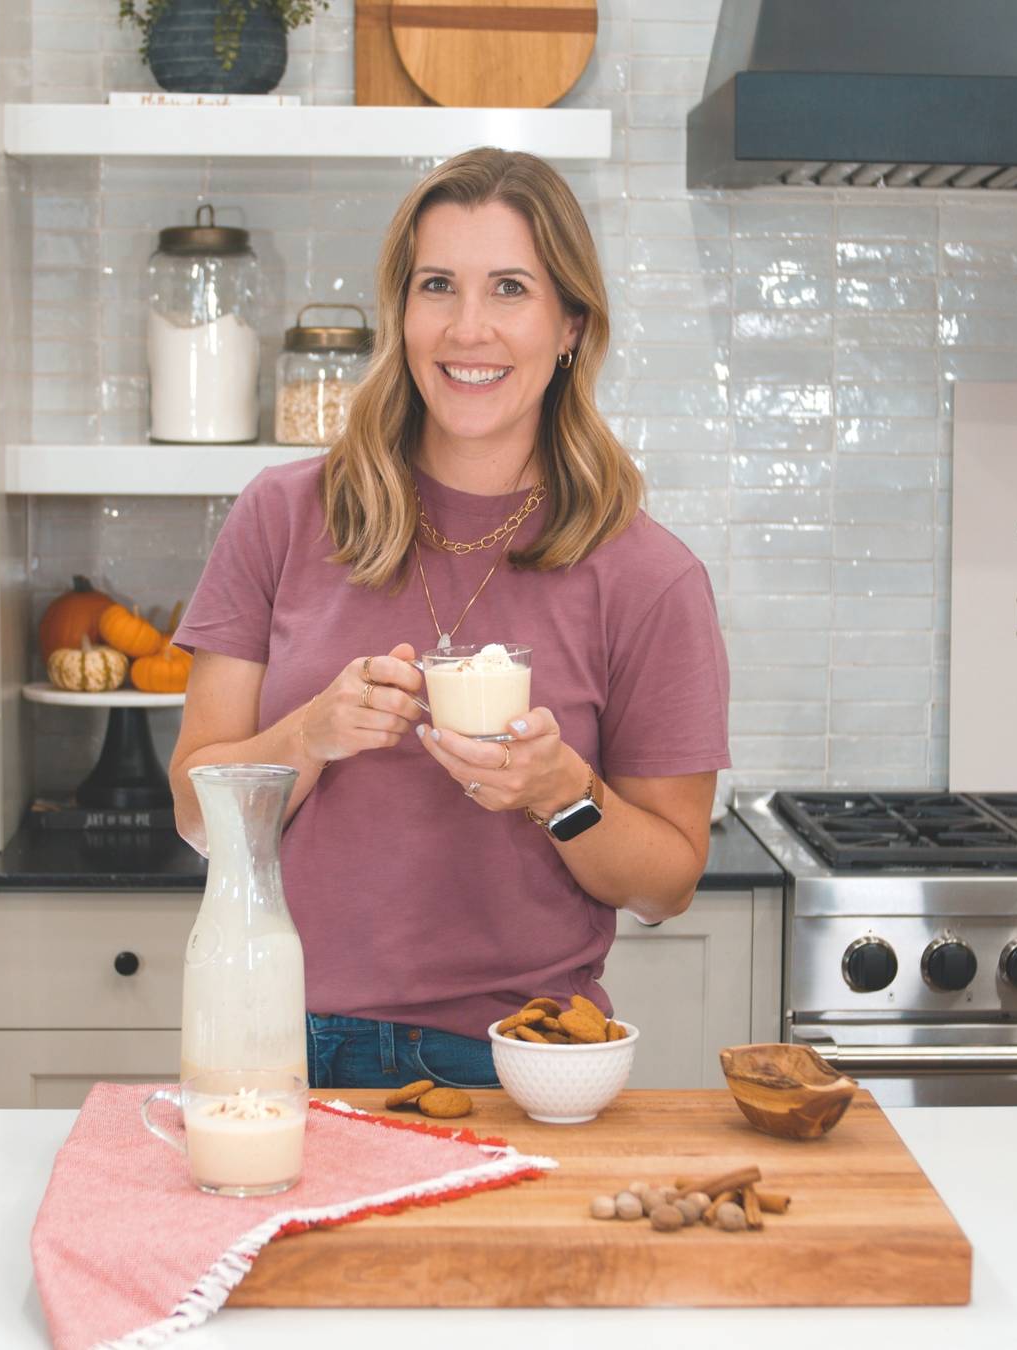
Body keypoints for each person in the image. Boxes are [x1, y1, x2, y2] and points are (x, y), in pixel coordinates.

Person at [167, 147, 731, 1091]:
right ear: (403, 313)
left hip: (516, 1059)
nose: (469, 330)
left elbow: (668, 881)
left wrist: (560, 788)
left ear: (570, 327)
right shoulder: (282, 516)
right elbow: (193, 809)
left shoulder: (648, 575)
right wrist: (312, 732)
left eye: (510, 288)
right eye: (439, 286)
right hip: (276, 1037)